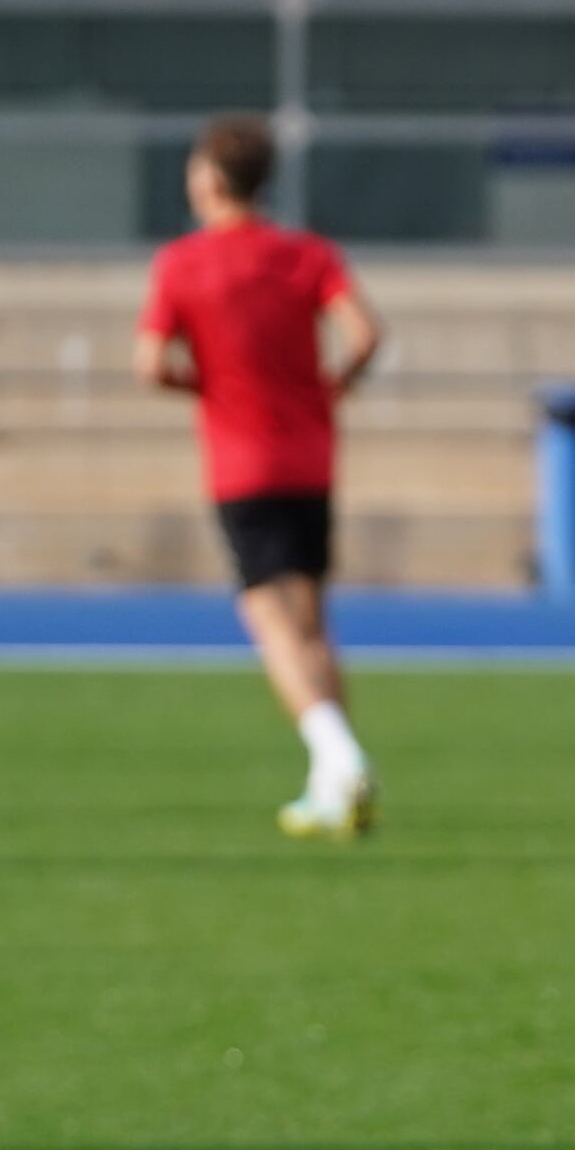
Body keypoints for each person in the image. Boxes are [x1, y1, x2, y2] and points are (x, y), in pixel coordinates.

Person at [140, 116, 386, 836]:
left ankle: (338, 753)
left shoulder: (184, 263)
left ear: (210, 180)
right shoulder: (306, 254)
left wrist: (206, 385)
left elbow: (150, 363)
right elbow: (366, 334)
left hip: (242, 460)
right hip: (311, 454)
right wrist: (334, 385)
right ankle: (329, 788)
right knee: (312, 620)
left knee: (267, 616)